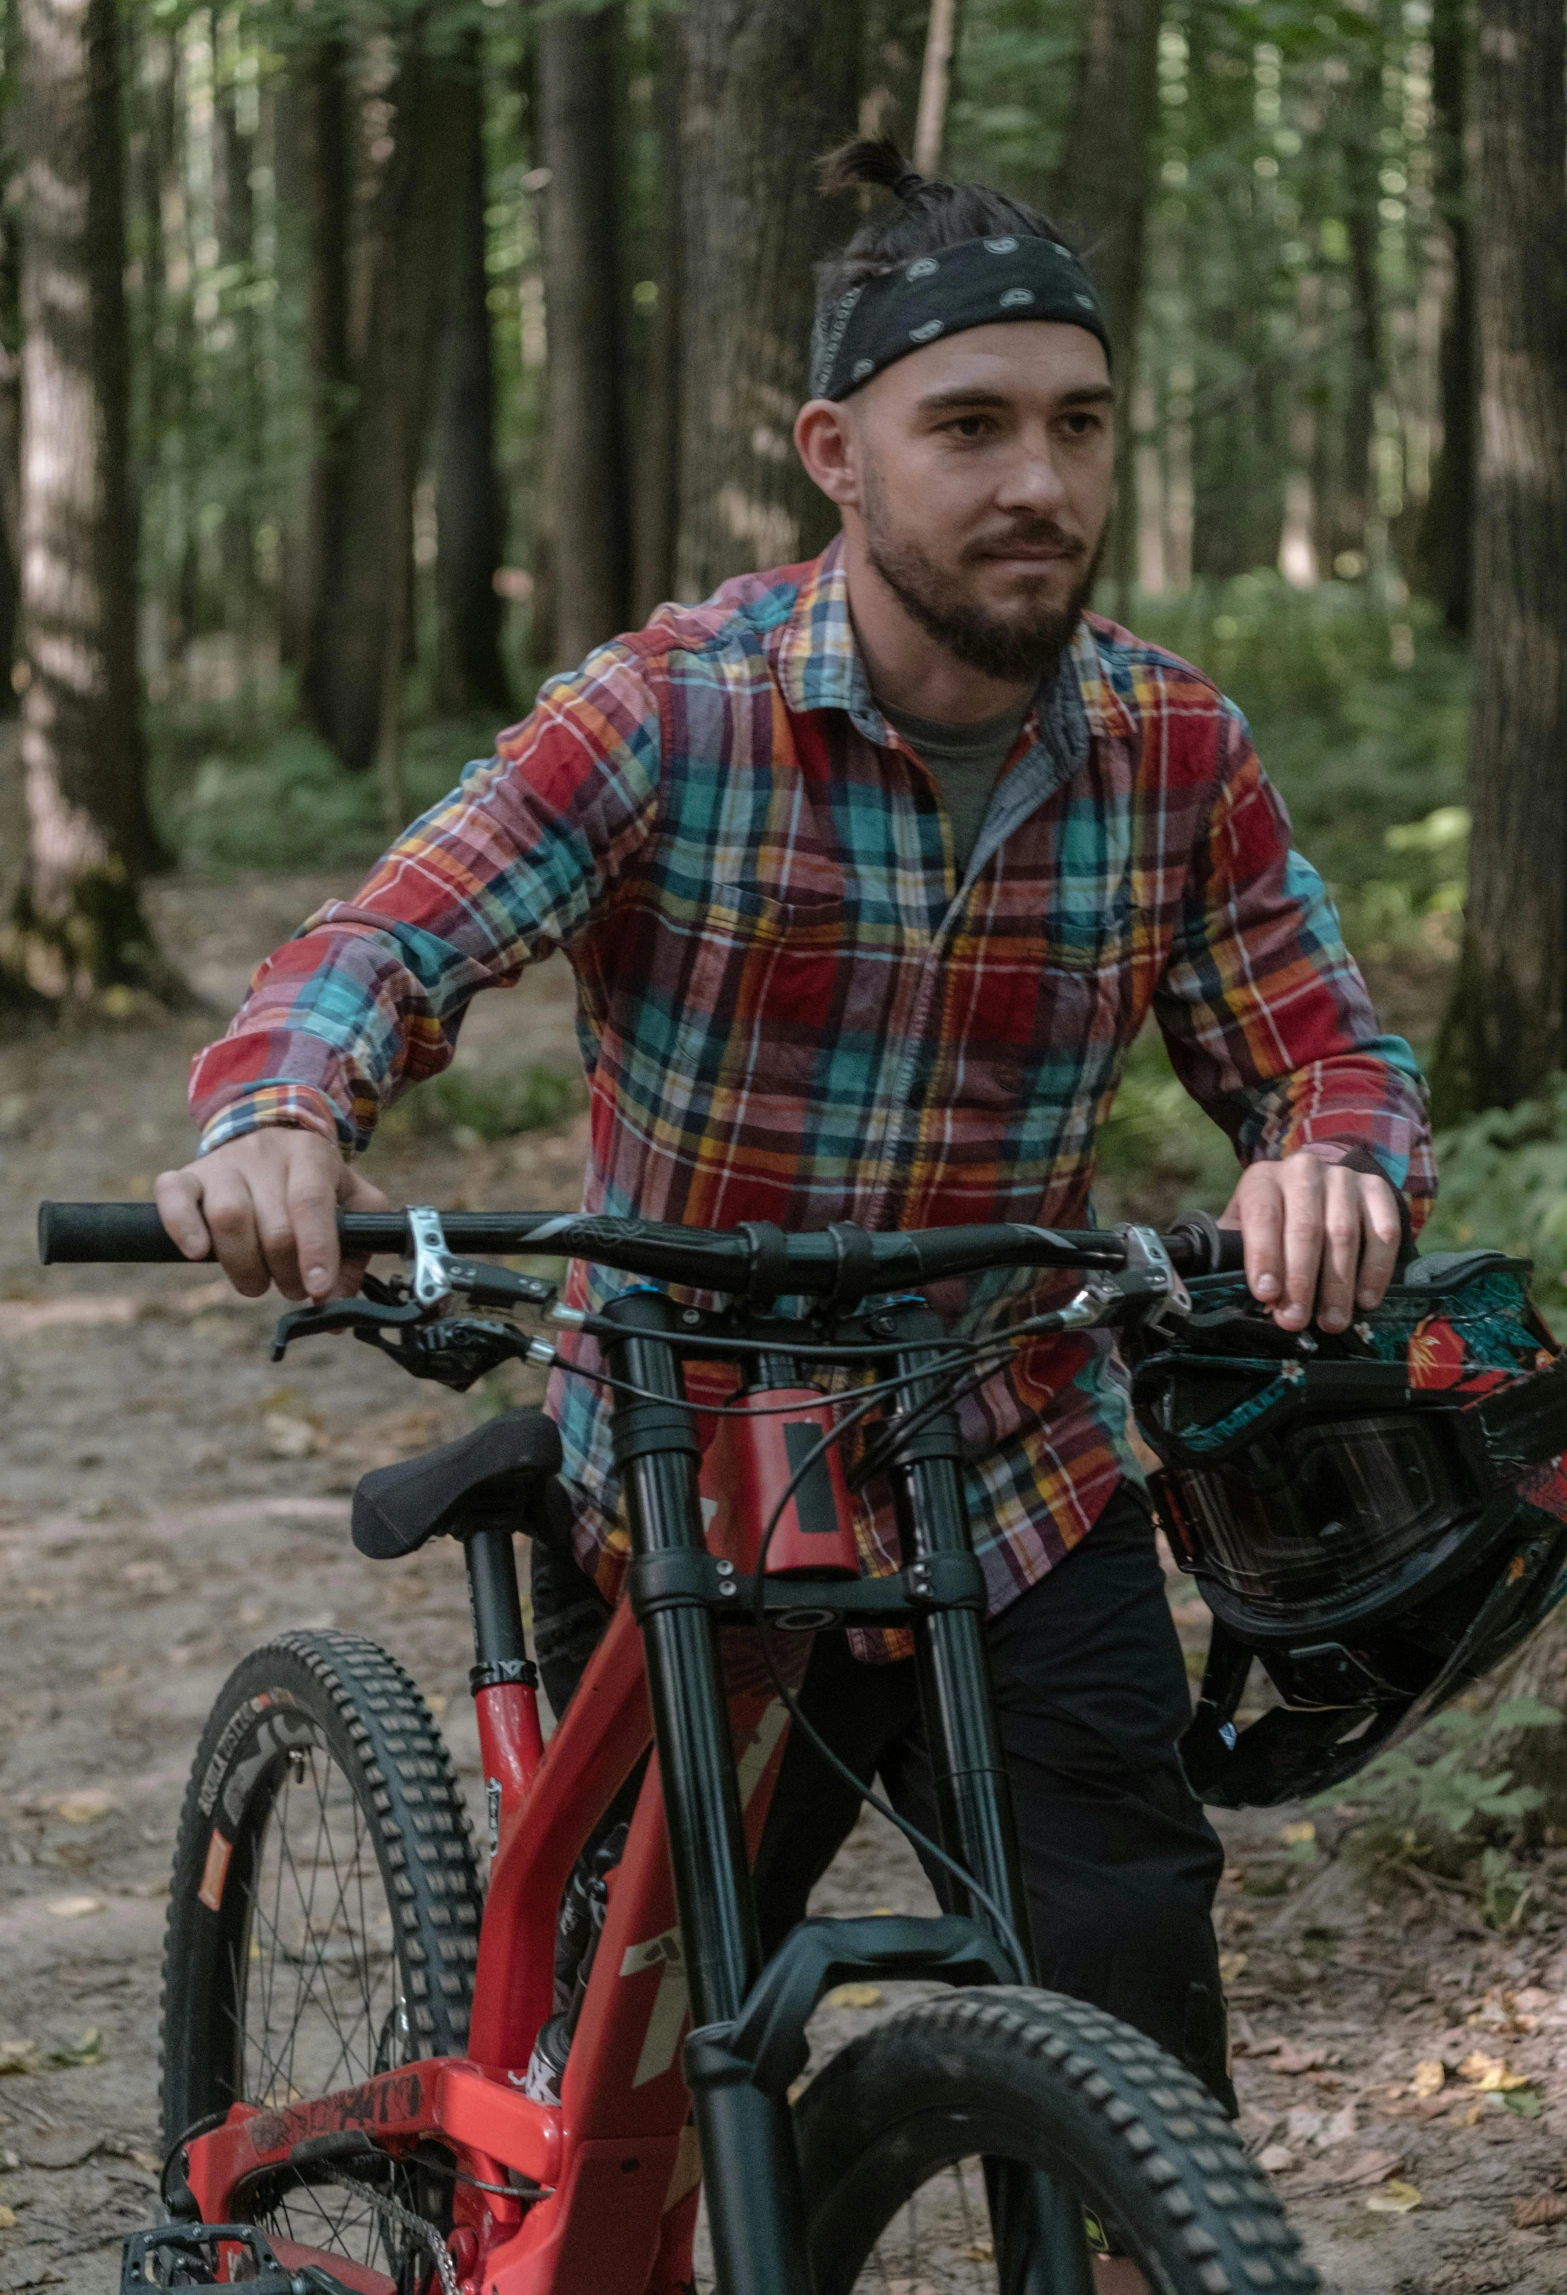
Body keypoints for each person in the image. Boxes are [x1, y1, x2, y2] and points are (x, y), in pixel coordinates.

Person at [157, 132, 1433, 2273]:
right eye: (973, 428)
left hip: (1006, 1456)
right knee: (624, 2086)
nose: (1040, 480)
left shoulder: (1169, 750)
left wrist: (1328, 1155)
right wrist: (283, 1110)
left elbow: (1328, 1047)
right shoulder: (671, 711)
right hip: (673, 1465)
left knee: (1128, 1979)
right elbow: (387, 936)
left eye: (1078, 426)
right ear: (838, 451)